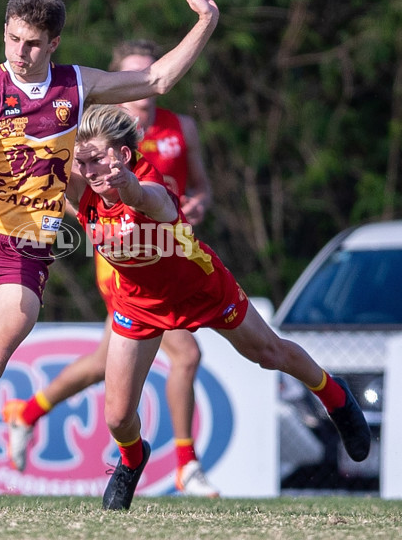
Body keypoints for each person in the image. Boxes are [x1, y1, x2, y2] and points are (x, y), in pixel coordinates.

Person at [0, 0, 220, 503]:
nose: (22, 53)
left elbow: (156, 79)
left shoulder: (77, 86)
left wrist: (205, 19)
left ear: (55, 44)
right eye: (15, 40)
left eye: (34, 44)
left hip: (27, 245)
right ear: (5, 33)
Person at [63, 103, 370, 510]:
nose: (89, 169)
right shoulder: (83, 185)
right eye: (81, 161)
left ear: (123, 154)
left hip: (201, 288)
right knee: (118, 418)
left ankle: (335, 395)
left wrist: (127, 184)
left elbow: (143, 197)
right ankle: (132, 460)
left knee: (269, 353)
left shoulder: (149, 188)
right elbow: (44, 159)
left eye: (98, 159)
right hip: (136, 303)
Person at [2, 39, 219, 497]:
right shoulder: (90, 136)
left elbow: (199, 185)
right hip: (124, 257)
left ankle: (26, 412)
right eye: (132, 76)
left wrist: (197, 202)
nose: (142, 87)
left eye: (150, 73)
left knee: (105, 363)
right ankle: (186, 463)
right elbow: (61, 186)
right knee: (187, 354)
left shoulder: (183, 128)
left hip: (172, 245)